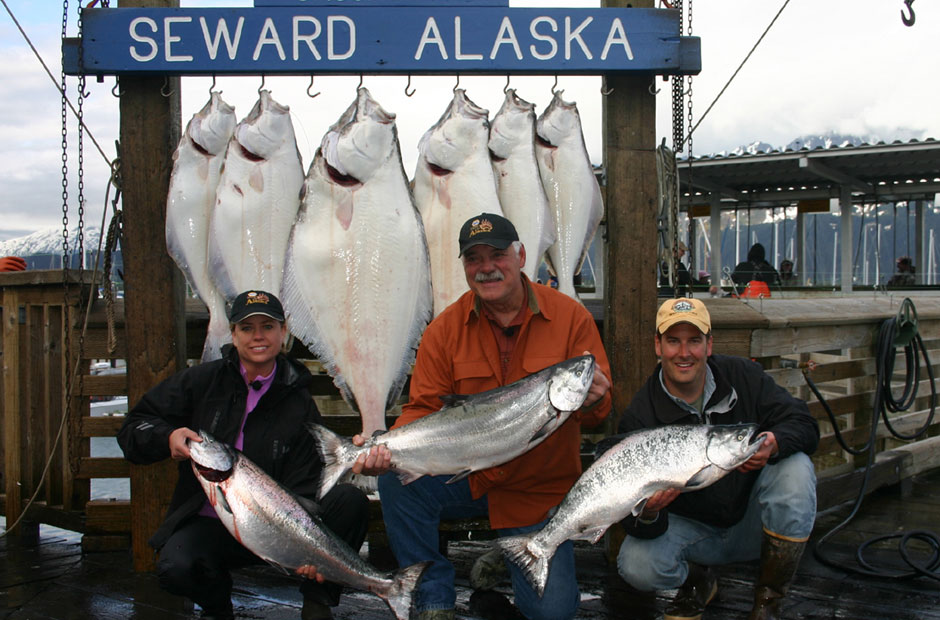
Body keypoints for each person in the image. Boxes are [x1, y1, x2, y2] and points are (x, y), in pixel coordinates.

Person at [352, 213, 613, 620]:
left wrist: (595, 399)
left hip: (537, 493)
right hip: (468, 480)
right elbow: (422, 408)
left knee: (552, 614)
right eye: (473, 259)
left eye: (497, 255)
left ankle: (503, 561)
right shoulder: (443, 330)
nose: (486, 267)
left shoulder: (570, 319)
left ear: (520, 255)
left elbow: (599, 415)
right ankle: (433, 599)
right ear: (465, 267)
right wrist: (386, 448)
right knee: (397, 484)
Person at [117, 290, 369, 620]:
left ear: (284, 331)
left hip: (277, 527)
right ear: (233, 335)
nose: (258, 336)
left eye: (268, 326)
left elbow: (307, 481)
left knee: (350, 500)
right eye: (247, 328)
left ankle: (317, 600)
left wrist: (310, 549)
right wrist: (169, 436)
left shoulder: (300, 402)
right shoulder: (201, 381)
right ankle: (217, 607)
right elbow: (133, 427)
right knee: (176, 566)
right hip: (211, 522)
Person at [616, 297, 819, 620]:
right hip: (690, 534)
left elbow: (805, 424)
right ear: (658, 346)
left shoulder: (744, 376)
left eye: (694, 341)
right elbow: (629, 519)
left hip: (753, 525)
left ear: (709, 345)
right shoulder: (640, 417)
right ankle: (697, 579)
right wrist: (649, 513)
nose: (684, 353)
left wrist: (775, 443)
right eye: (673, 341)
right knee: (636, 565)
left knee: (796, 468)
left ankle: (769, 602)